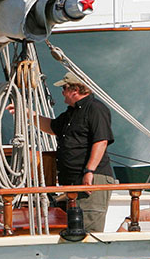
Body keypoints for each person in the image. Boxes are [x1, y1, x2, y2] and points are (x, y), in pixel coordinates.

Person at [30, 69, 116, 233]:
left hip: (90, 179)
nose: (62, 92)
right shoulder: (72, 112)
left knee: (87, 228)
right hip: (73, 182)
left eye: (64, 89)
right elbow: (51, 127)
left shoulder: (95, 109)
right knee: (73, 229)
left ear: (74, 90)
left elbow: (101, 141)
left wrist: (89, 171)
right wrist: (29, 115)